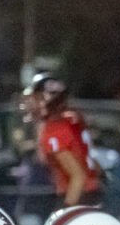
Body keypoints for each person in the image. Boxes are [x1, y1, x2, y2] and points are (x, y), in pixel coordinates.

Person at [21, 73, 102, 207]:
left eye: (36, 98)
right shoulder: (72, 120)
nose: (32, 103)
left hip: (77, 195)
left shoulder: (55, 129)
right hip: (91, 193)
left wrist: (66, 210)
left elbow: (78, 177)